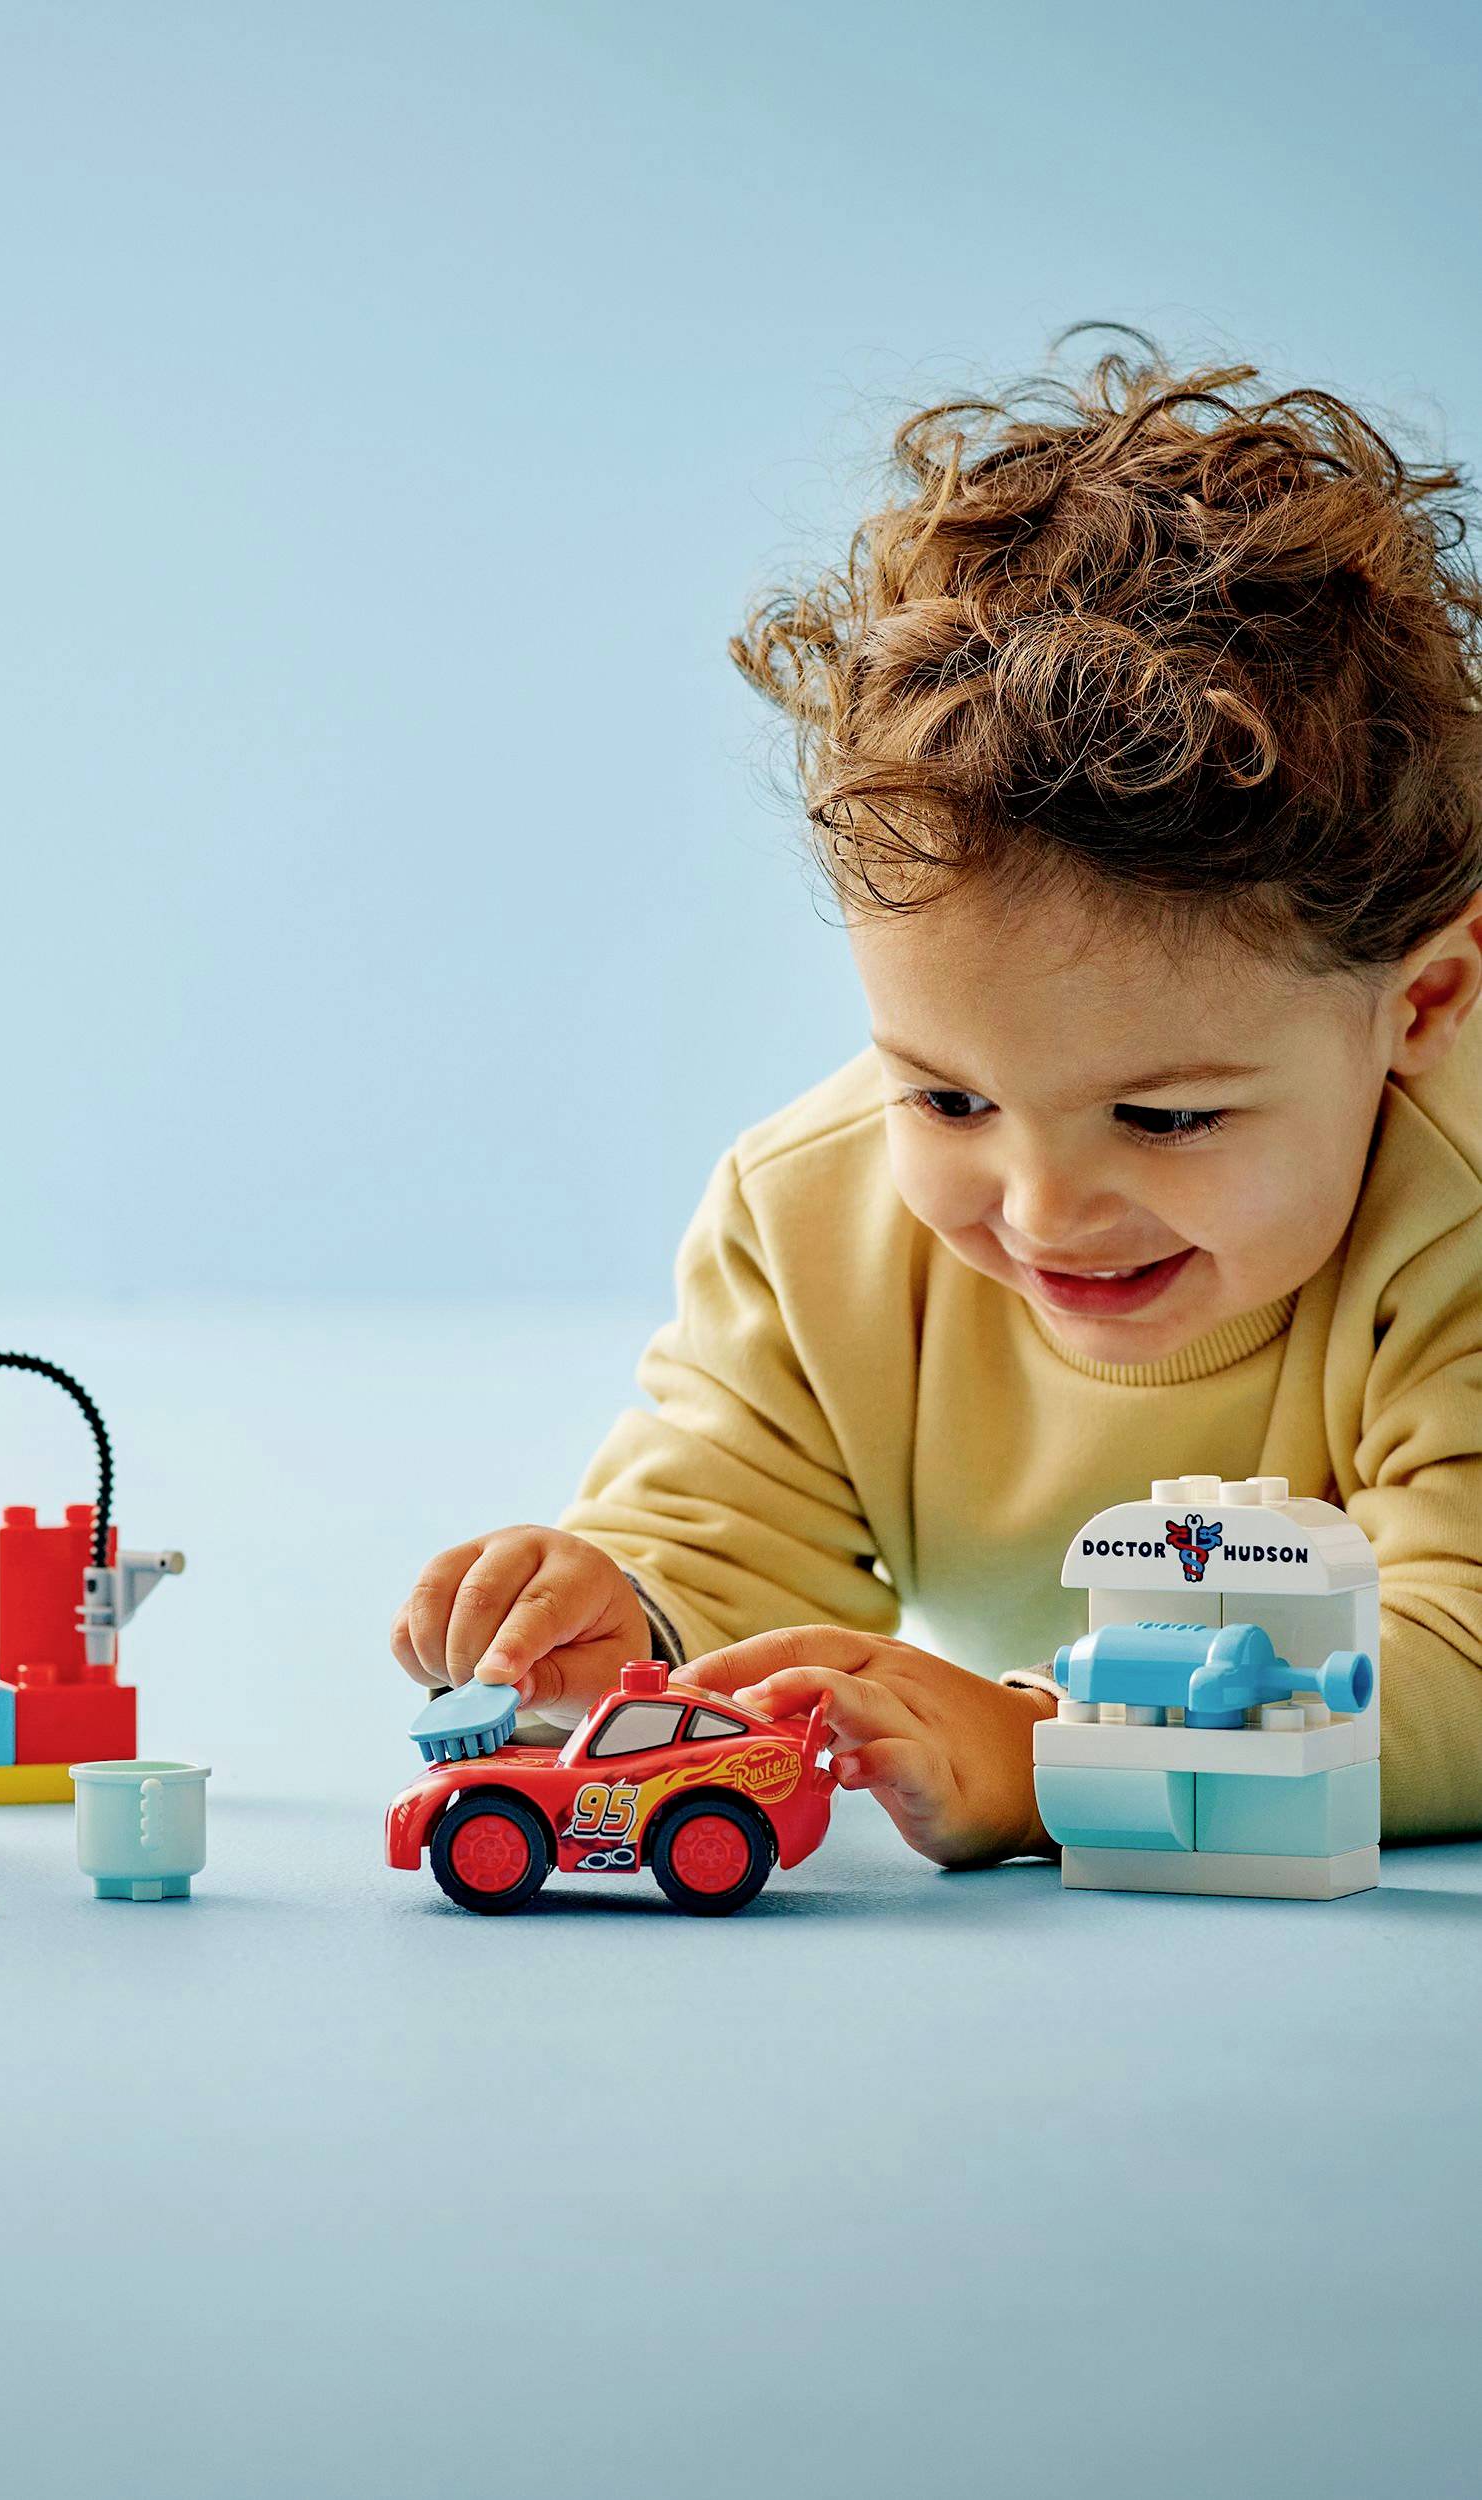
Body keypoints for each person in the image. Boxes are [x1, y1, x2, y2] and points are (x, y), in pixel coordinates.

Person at [392, 338, 1482, 1867]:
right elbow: (725, 1530)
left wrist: (1060, 1756)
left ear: (1422, 1007)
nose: (1041, 1210)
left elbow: (1464, 1660)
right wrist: (619, 1616)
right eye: (948, 1097)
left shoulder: (1458, 1235)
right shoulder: (812, 1219)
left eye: (1165, 1120)